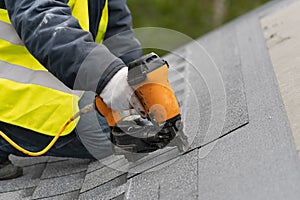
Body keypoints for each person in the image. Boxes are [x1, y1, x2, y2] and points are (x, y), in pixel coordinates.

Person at [0, 0, 142, 180]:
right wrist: (108, 77)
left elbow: (116, 23)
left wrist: (132, 80)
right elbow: (43, 17)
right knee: (107, 134)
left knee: (142, 115)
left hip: (62, 69)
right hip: (11, 93)